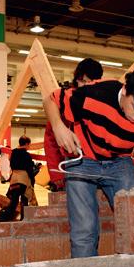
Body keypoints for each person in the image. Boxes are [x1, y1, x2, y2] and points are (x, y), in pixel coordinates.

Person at [43, 58, 134, 257]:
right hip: (82, 159)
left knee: (133, 227)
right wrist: (59, 127)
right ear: (126, 89)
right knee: (84, 230)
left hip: (119, 162)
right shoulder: (94, 93)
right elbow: (51, 99)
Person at [44, 58, 103, 191]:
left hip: (101, 168)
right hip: (73, 165)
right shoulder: (64, 103)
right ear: (76, 80)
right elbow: (51, 142)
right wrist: (56, 175)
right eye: (82, 81)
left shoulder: (103, 103)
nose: (86, 86)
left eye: (90, 82)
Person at [0, 135, 36, 221]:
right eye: (29, 145)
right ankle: (23, 218)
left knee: (14, 200)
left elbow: (12, 165)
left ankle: (6, 217)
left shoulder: (14, 152)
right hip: (23, 179)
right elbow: (29, 169)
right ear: (26, 144)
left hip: (14, 179)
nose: (29, 147)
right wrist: (32, 180)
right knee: (24, 199)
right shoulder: (26, 155)